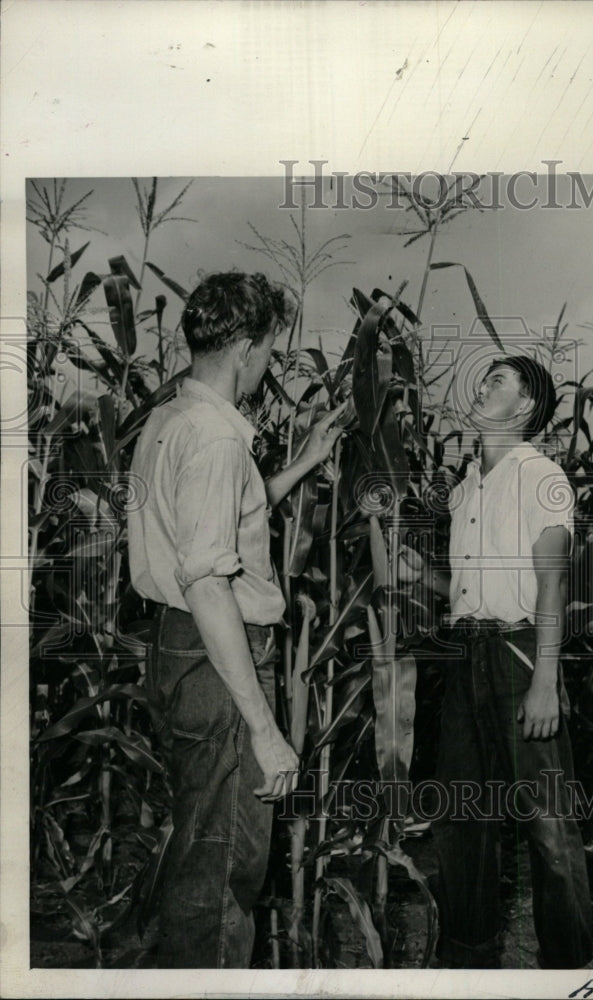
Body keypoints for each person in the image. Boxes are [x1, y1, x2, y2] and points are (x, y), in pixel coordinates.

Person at [128, 270, 343, 968]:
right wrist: (265, 729)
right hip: (218, 655)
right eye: (268, 352)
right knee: (224, 868)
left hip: (177, 649)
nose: (268, 366)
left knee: (198, 839)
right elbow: (210, 584)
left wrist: (301, 465)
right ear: (246, 348)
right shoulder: (218, 441)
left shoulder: (170, 420)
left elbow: (214, 522)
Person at [431, 354, 593, 969]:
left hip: (520, 653)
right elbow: (468, 590)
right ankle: (468, 962)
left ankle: (568, 969)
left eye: (496, 380)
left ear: (525, 405)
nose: (480, 386)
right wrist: (415, 573)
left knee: (548, 826)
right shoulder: (465, 487)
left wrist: (545, 682)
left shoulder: (541, 476)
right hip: (465, 657)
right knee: (462, 820)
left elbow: (550, 583)